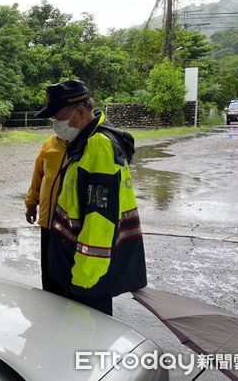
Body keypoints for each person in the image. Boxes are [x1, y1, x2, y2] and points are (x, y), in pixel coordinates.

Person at [34, 80, 146, 315]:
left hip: (86, 276)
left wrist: (83, 280)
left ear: (81, 112)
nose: (55, 125)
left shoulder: (98, 146)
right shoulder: (85, 141)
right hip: (79, 268)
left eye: (58, 119)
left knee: (86, 341)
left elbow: (100, 220)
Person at [25, 130, 68, 294]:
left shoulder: (87, 145)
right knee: (49, 272)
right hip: (48, 222)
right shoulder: (50, 143)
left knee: (67, 276)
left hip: (71, 227)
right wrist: (31, 203)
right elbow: (38, 175)